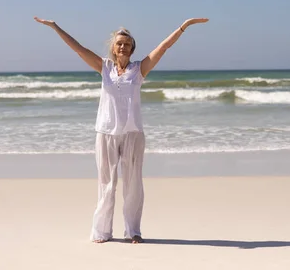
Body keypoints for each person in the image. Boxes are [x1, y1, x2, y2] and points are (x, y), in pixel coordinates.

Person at [34, 16, 209, 244]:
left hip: (133, 134)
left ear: (132, 48)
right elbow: (78, 49)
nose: (123, 46)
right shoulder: (104, 68)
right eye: (119, 44)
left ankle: (133, 231)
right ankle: (102, 232)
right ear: (114, 48)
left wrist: (185, 26)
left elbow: (163, 47)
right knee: (106, 184)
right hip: (106, 132)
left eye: (127, 44)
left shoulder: (139, 70)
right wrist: (55, 26)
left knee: (133, 185)